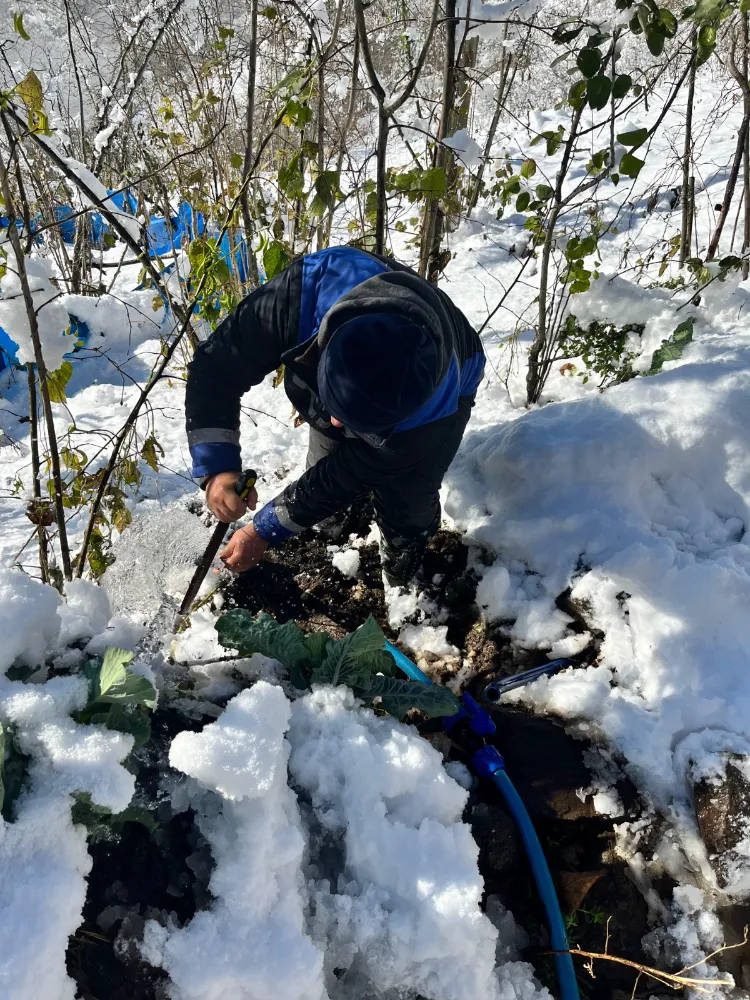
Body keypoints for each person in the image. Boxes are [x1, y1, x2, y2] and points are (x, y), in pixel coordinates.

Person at [185, 245, 485, 587]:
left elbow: (347, 474)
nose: (337, 425)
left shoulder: (430, 414)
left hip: (458, 370)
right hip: (346, 342)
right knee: (323, 475)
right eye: (337, 408)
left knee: (407, 498)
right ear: (323, 350)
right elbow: (216, 369)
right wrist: (218, 468)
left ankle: (405, 559)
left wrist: (261, 531)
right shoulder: (306, 292)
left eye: (356, 422)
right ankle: (339, 521)